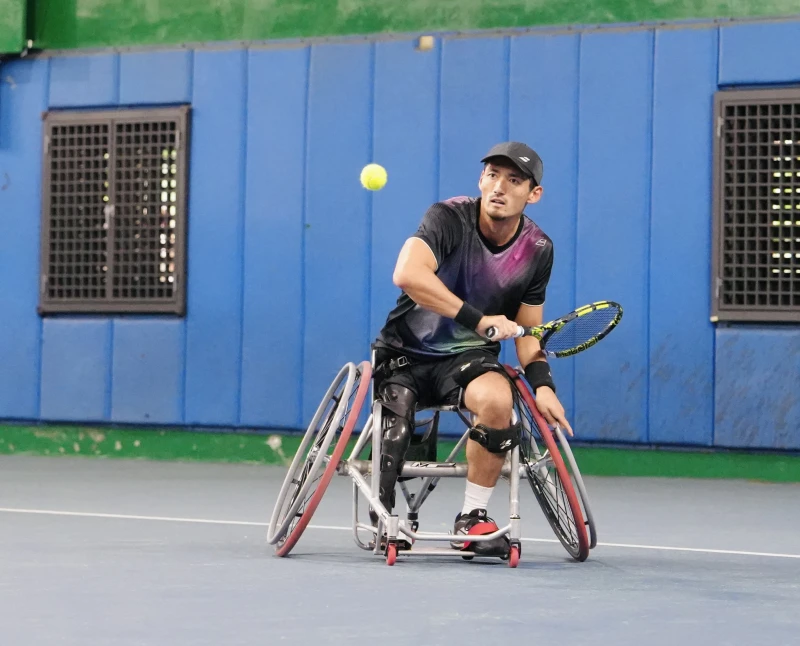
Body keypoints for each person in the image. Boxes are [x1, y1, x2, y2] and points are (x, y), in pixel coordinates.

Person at [371, 141, 573, 557]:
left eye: (514, 180)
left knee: (500, 401)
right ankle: (384, 509)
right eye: (492, 176)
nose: (499, 186)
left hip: (467, 361)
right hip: (404, 355)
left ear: (533, 194)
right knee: (395, 430)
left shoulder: (537, 250)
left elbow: (528, 332)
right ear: (481, 180)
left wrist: (544, 386)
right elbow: (407, 274)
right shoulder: (447, 218)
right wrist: (479, 320)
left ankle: (472, 518)